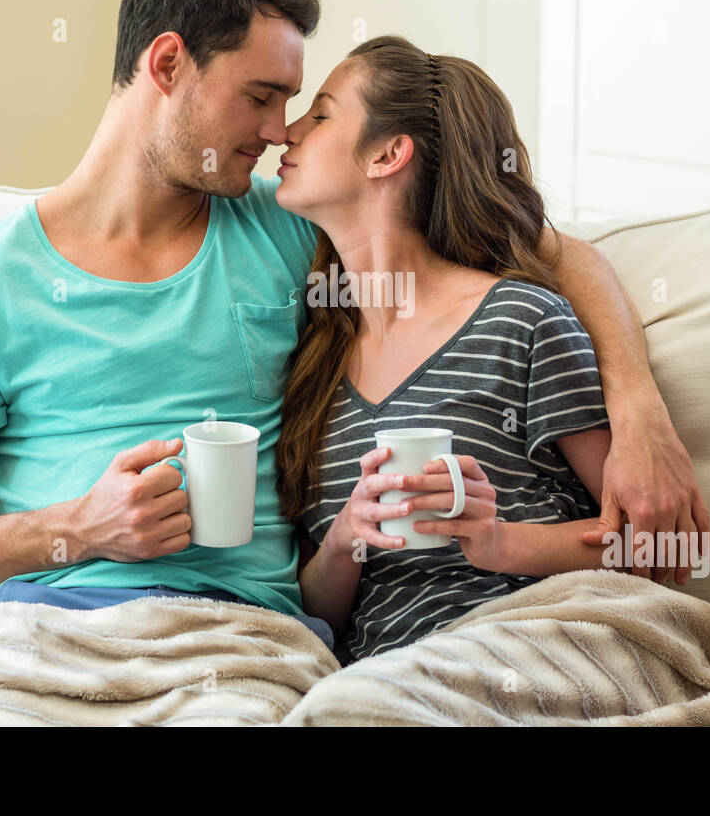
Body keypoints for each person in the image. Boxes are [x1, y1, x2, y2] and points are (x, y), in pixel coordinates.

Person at [0, 0, 705, 652]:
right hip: (48, 630)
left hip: (248, 639)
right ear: (167, 64)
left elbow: (553, 256)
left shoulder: (296, 229)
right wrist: (76, 529)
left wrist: (638, 412)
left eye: (298, 107)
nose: (277, 133)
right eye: (261, 97)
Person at [274, 35, 679, 661]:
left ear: (388, 153)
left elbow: (647, 547)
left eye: (321, 114)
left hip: (538, 643)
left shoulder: (520, 320)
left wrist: (497, 542)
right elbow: (319, 613)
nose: (287, 131)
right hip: (386, 678)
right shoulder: (315, 358)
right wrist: (346, 539)